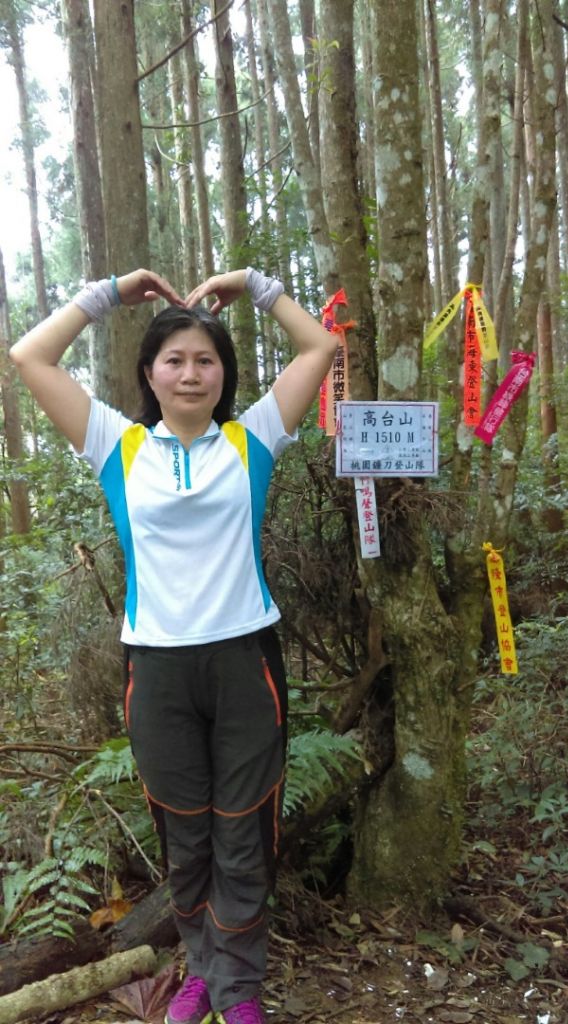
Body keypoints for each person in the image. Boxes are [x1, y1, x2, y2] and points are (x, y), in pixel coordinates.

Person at [10, 267, 339, 1024]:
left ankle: (238, 988)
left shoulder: (250, 437)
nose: (190, 373)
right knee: (185, 836)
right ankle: (198, 970)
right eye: (174, 360)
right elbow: (30, 356)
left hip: (244, 661)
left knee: (245, 831)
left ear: (224, 374)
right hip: (155, 670)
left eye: (206, 360)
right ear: (149, 374)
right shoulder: (116, 447)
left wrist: (254, 285)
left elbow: (319, 344)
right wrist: (108, 294)